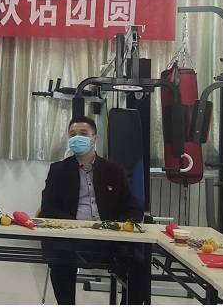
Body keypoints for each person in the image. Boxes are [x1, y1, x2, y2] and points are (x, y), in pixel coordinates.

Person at [37, 115, 145, 305]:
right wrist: (75, 225)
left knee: (139, 263)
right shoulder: (58, 170)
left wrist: (112, 225)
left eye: (83, 133)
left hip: (108, 237)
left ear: (94, 139)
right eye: (72, 134)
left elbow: (133, 209)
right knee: (60, 258)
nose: (76, 138)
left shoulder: (114, 170)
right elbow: (48, 207)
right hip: (70, 236)